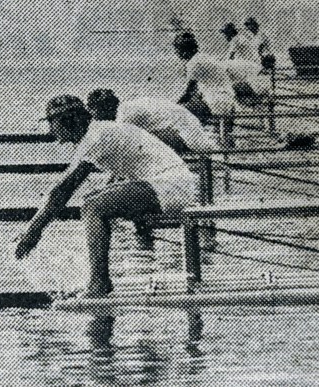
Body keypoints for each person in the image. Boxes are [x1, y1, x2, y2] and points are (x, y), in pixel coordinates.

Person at [15, 95, 197, 298]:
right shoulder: (98, 132)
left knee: (92, 206)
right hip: (174, 184)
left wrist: (33, 232)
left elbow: (63, 191)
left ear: (69, 121)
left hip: (172, 185)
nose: (51, 130)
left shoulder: (96, 137)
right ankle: (99, 279)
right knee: (94, 201)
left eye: (52, 123)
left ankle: (99, 283)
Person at [86, 88, 217, 153]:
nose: (93, 116)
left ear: (105, 107)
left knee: (132, 147)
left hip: (185, 131)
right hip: (185, 125)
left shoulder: (125, 115)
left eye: (94, 110)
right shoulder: (125, 108)